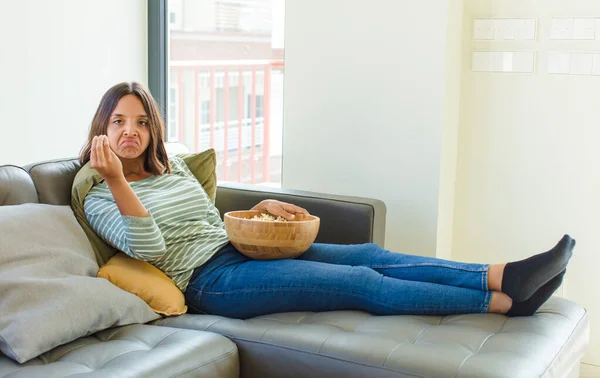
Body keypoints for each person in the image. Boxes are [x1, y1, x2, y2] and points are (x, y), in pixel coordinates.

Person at [79, 82, 575, 319]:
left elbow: (210, 221)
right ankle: (506, 303)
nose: (131, 131)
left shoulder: (173, 169)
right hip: (213, 282)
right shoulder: (99, 193)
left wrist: (262, 210)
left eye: (141, 121)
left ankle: (504, 273)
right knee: (361, 283)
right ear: (103, 127)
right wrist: (119, 180)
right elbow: (147, 247)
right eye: (119, 121)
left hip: (240, 250)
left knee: (369, 255)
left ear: (153, 129)